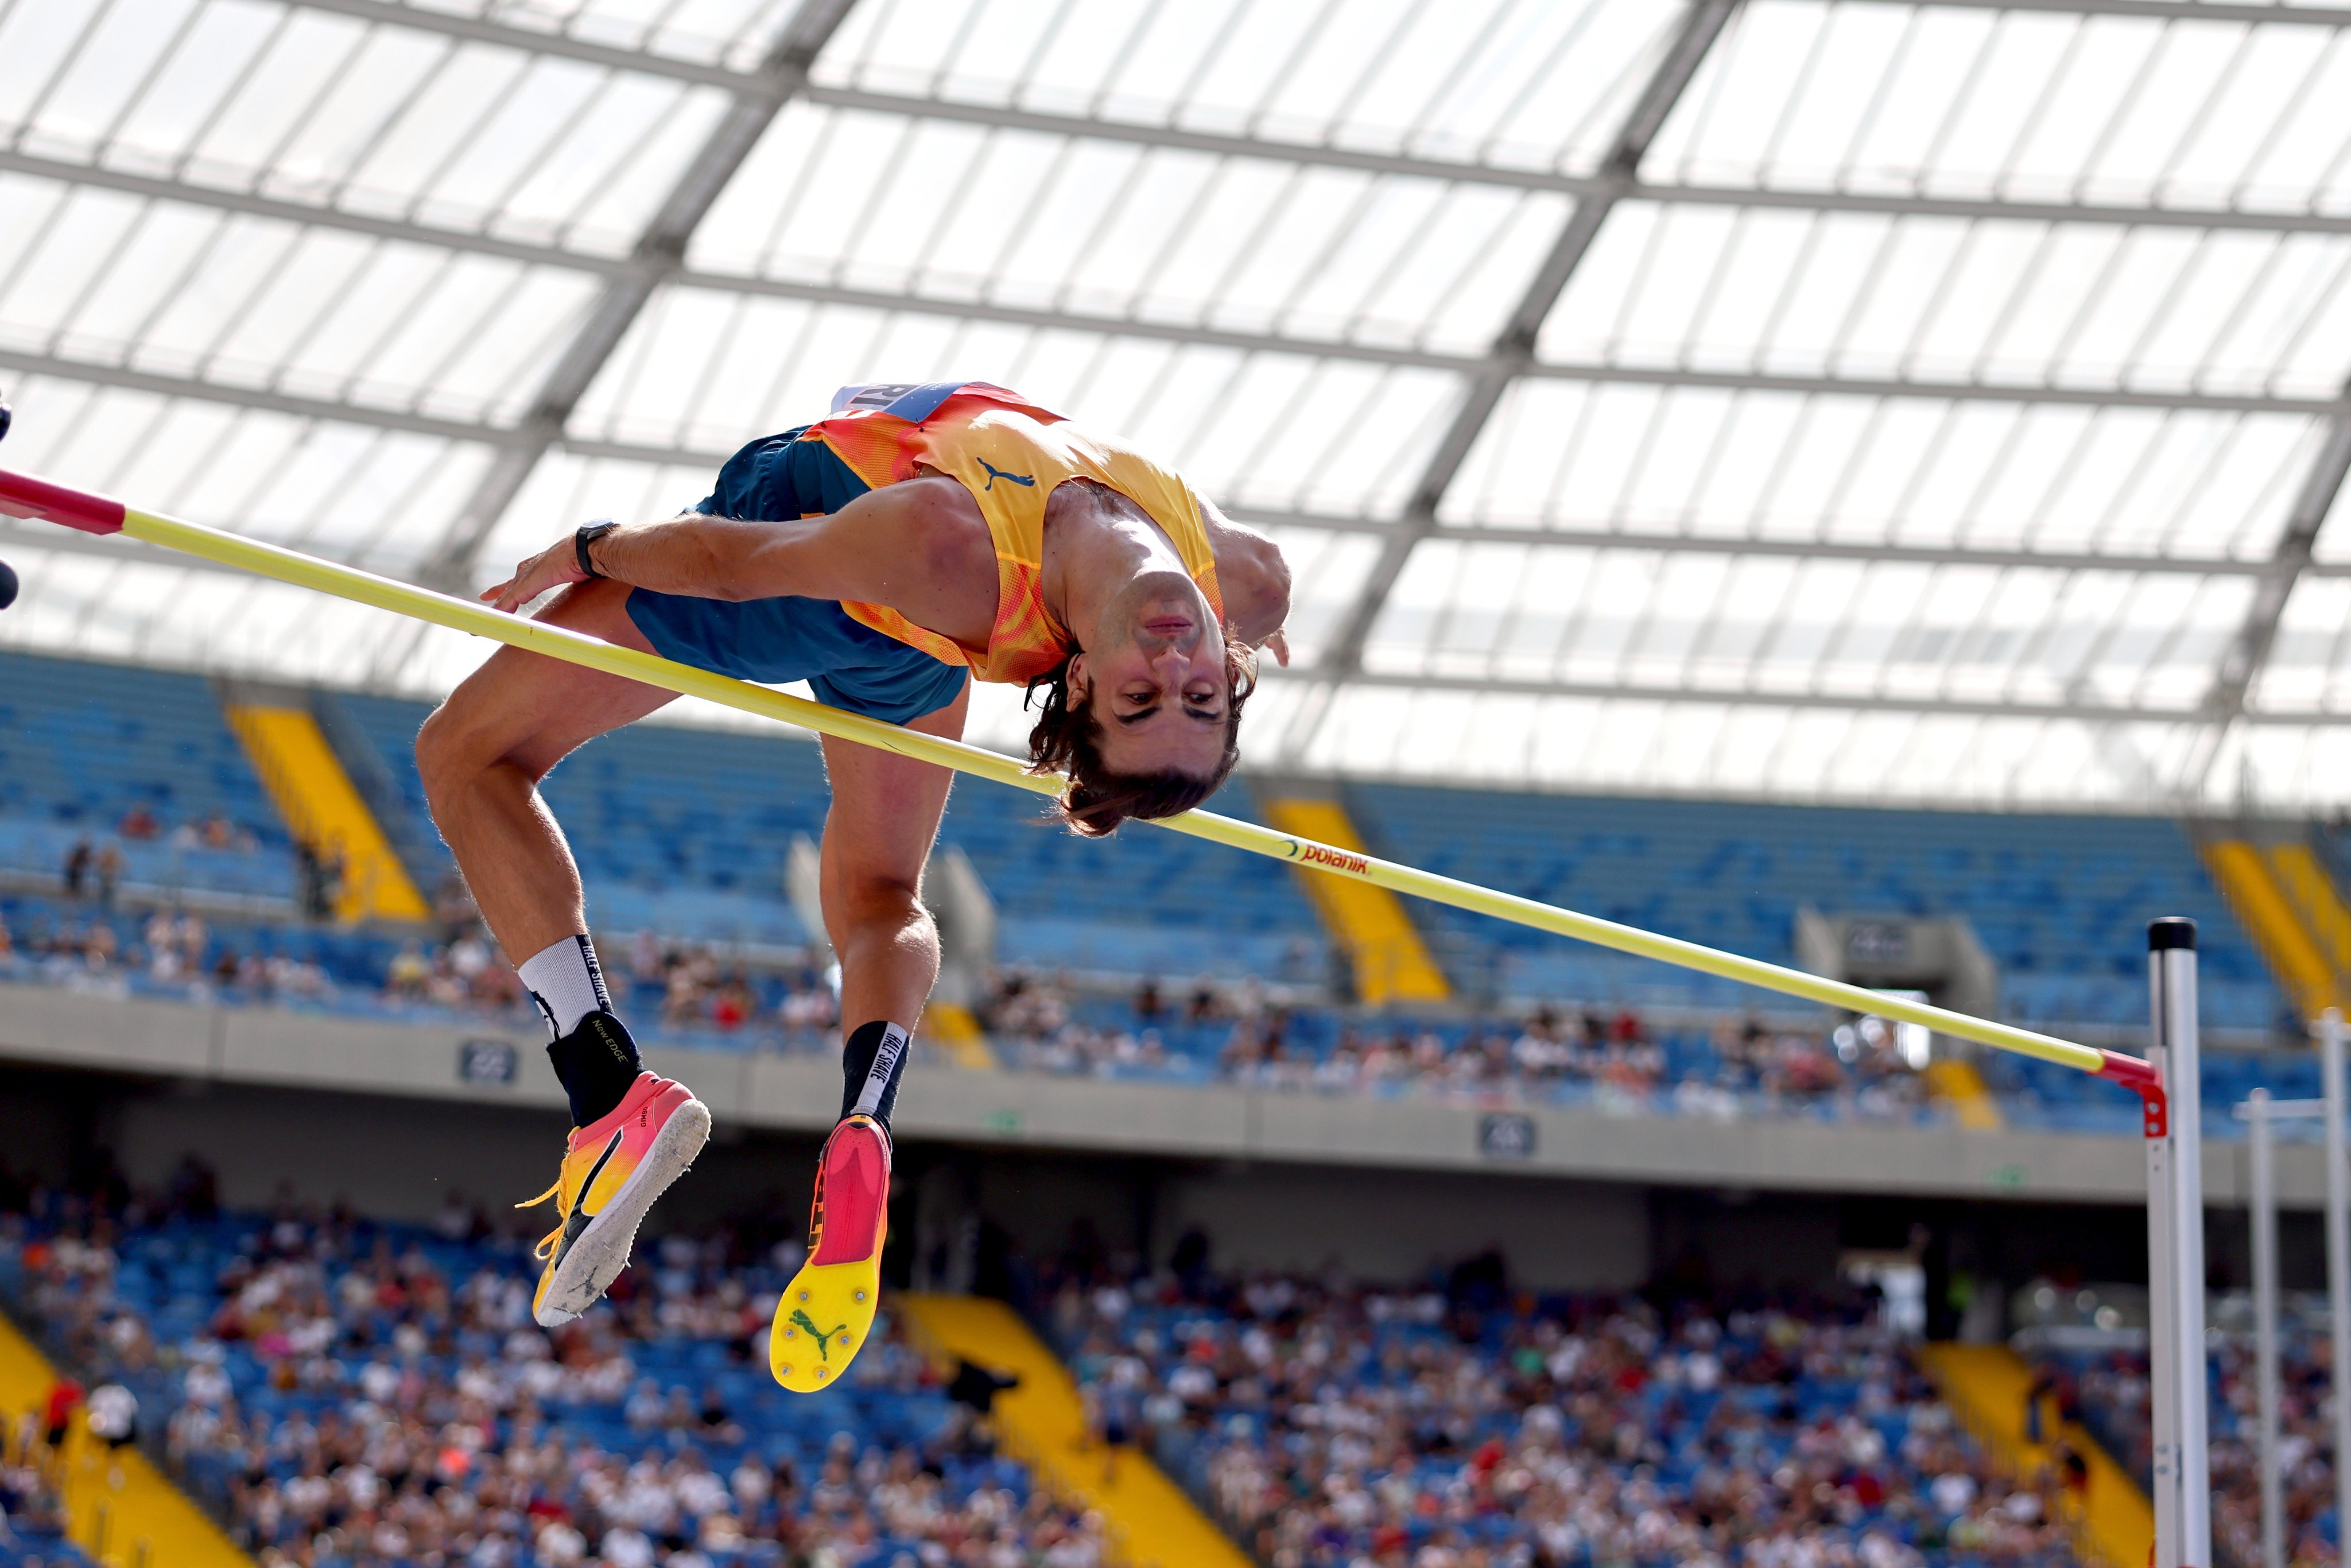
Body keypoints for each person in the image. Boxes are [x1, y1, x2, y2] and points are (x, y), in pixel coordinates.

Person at [416, 381, 1291, 1387]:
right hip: (915, 648)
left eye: (1145, 695)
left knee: (465, 756)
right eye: (1197, 694)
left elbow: (733, 564)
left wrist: (587, 550)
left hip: (809, 564)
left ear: (1085, 680)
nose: (1178, 659)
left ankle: (608, 1092)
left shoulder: (946, 541)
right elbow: (1261, 607)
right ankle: (867, 1118)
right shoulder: (1249, 581)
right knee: (880, 896)